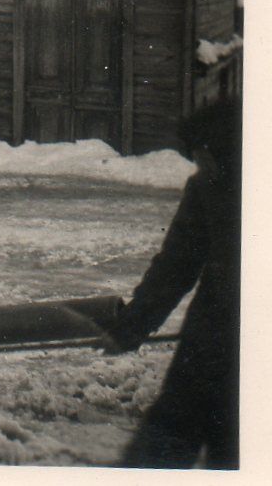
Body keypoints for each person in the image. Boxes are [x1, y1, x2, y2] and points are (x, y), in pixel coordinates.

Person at [100, 99, 241, 469]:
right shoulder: (207, 187)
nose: (200, 168)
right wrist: (131, 326)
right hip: (210, 334)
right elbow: (176, 264)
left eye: (204, 158)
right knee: (169, 434)